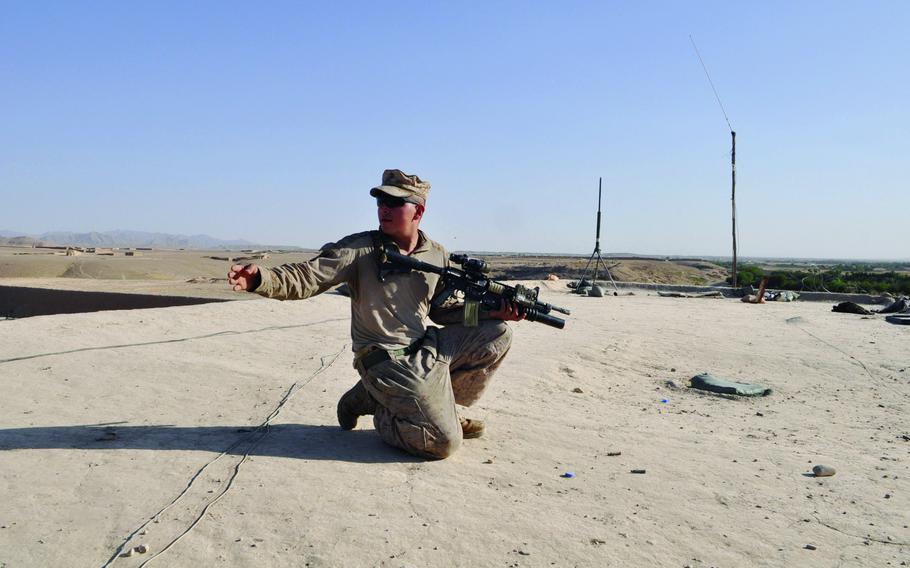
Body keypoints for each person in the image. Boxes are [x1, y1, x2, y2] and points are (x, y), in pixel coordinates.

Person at [227, 169, 522, 459]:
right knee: (444, 444)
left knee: (497, 334)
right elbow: (307, 276)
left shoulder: (436, 253)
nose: (384, 209)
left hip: (425, 349)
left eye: (394, 203)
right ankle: (384, 411)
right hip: (384, 359)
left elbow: (442, 311)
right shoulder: (360, 249)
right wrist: (260, 279)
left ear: (418, 212)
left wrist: (491, 312)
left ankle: (434, 407)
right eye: (381, 202)